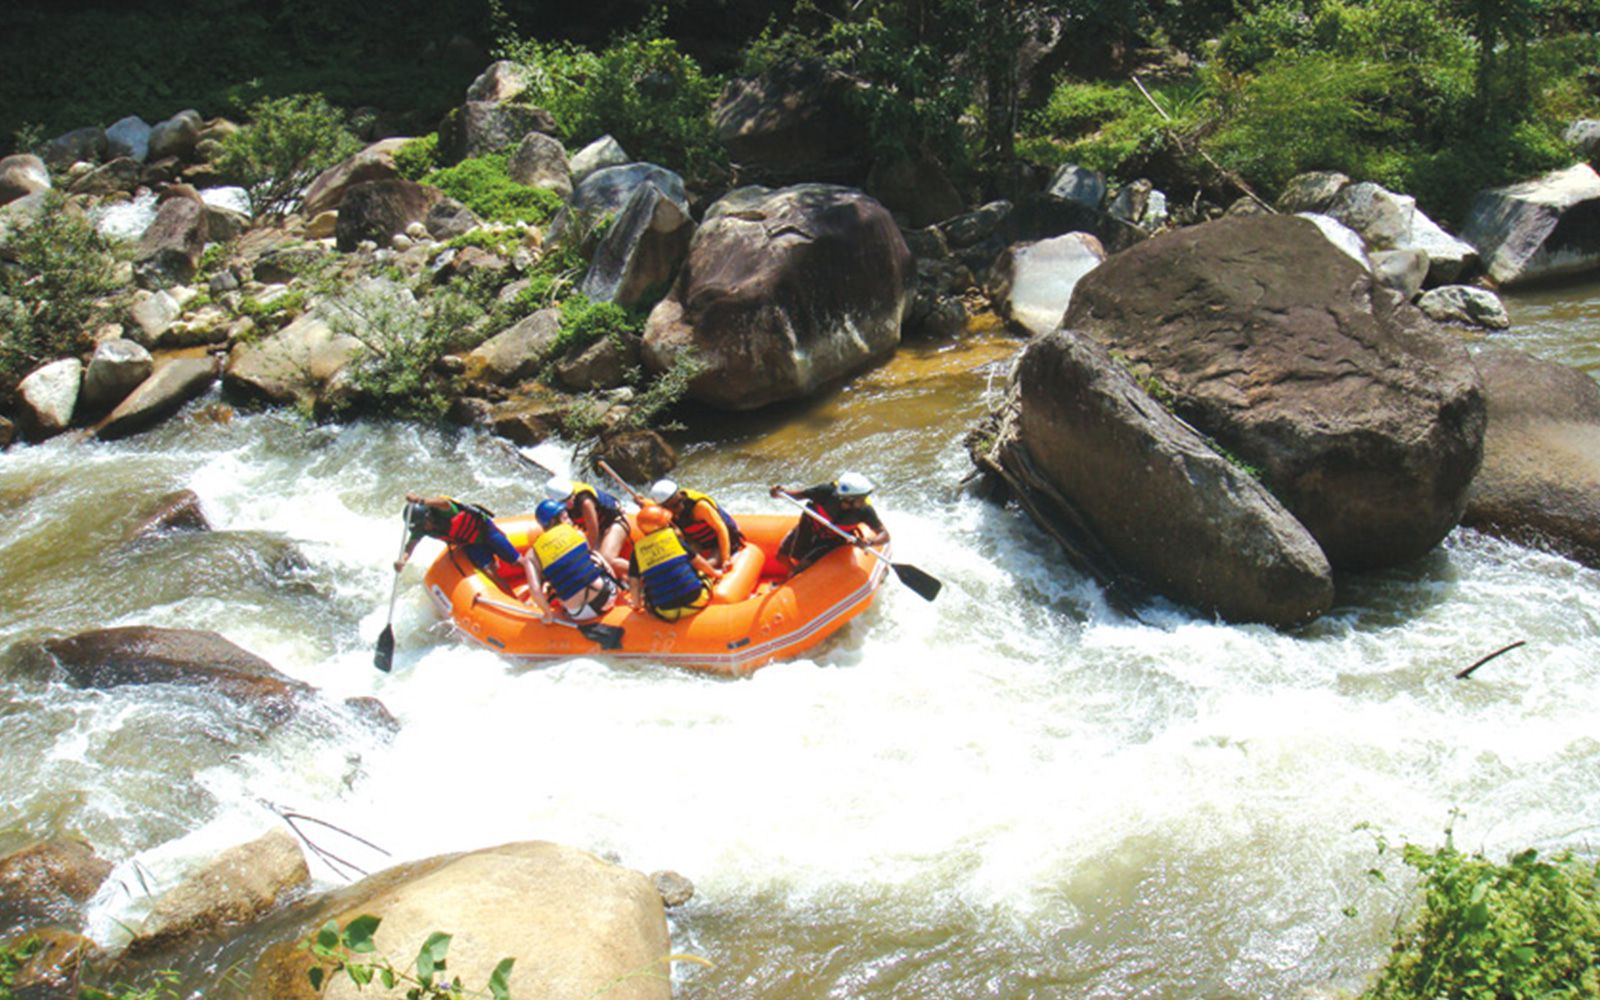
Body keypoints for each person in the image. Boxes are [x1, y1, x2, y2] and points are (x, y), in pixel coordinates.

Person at [395, 494, 523, 592]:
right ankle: (514, 600)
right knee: (490, 573)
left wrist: (421, 501)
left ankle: (541, 575)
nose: (424, 528)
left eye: (424, 524)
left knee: (517, 561)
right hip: (471, 543)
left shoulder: (443, 511)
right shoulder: (421, 529)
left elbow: (445, 502)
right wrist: (402, 560)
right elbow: (410, 546)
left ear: (428, 516)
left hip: (485, 531)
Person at [521, 499, 620, 623]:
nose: (568, 517)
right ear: (554, 520)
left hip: (579, 613)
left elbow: (535, 591)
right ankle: (619, 588)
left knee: (556, 590)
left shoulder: (532, 555)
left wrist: (548, 614)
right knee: (596, 556)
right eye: (564, 515)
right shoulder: (577, 533)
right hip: (606, 598)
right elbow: (592, 562)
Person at [770, 472, 890, 573]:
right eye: (861, 498)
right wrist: (781, 493)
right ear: (848, 499)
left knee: (804, 565)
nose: (864, 501)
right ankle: (794, 575)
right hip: (809, 527)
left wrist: (870, 542)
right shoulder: (825, 492)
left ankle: (795, 579)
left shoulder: (865, 511)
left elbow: (885, 534)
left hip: (831, 540)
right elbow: (799, 495)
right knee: (782, 557)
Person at [627, 504, 723, 622]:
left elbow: (634, 584)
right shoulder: (674, 539)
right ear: (664, 524)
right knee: (700, 573)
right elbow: (699, 563)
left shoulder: (637, 551)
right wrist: (716, 573)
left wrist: (636, 604)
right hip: (697, 601)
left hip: (665, 612)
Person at [545, 475, 630, 578]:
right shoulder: (557, 508)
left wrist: (585, 556)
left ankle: (640, 574)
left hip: (615, 522)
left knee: (605, 561)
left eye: (571, 497)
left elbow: (593, 533)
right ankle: (624, 580)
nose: (570, 501)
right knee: (596, 564)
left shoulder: (585, 502)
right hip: (601, 527)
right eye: (565, 501)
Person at [648, 478, 744, 570]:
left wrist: (725, 559)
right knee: (682, 562)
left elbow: (721, 528)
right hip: (697, 541)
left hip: (718, 541)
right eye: (675, 505)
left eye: (681, 500)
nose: (681, 506)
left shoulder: (699, 506)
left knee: (709, 564)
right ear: (663, 507)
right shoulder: (663, 511)